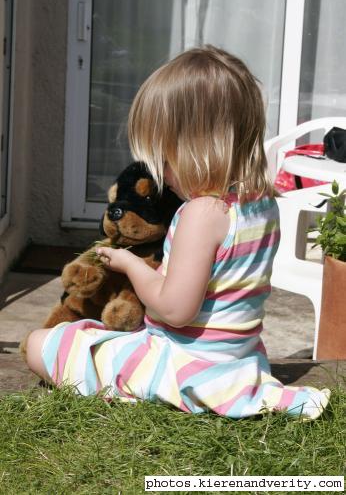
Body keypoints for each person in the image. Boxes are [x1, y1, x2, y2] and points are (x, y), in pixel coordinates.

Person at [26, 46, 330, 420]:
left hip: (187, 366)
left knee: (42, 344)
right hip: (237, 361)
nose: (163, 176)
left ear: (196, 148)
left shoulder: (202, 213)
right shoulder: (260, 202)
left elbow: (174, 310)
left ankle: (170, 393)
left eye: (165, 160)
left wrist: (129, 265)